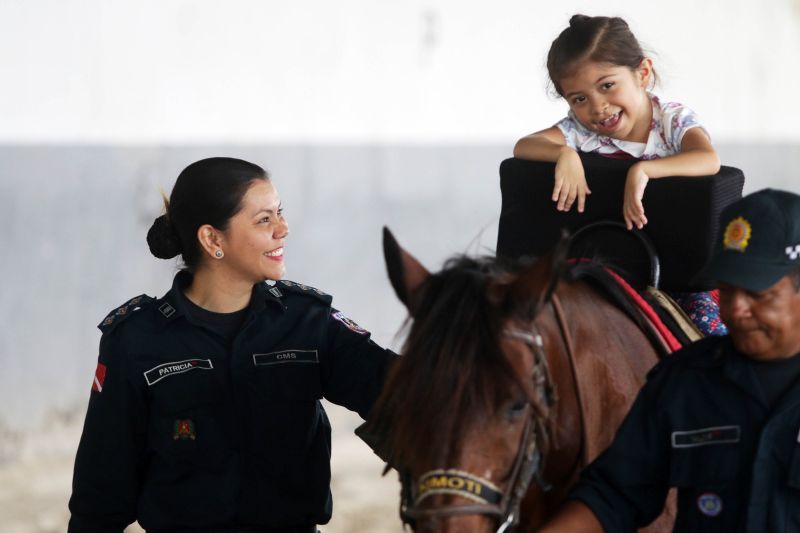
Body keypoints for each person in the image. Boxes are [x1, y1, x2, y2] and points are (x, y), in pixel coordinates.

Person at [68, 157, 395, 533]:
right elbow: (100, 498)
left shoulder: (309, 324)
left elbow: (403, 394)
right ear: (212, 239)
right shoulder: (135, 341)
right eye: (264, 219)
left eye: (280, 213)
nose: (283, 229)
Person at [538, 188, 800, 532]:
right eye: (728, 289)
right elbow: (614, 495)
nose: (736, 308)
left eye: (758, 294)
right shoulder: (686, 381)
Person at [514, 14, 725, 336]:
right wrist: (564, 153)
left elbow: (707, 159)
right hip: (605, 273)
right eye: (580, 99)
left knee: (709, 341)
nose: (598, 107)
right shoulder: (579, 131)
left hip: (680, 278)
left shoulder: (671, 122)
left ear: (642, 73)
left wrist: (643, 169)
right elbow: (525, 146)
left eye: (607, 86)